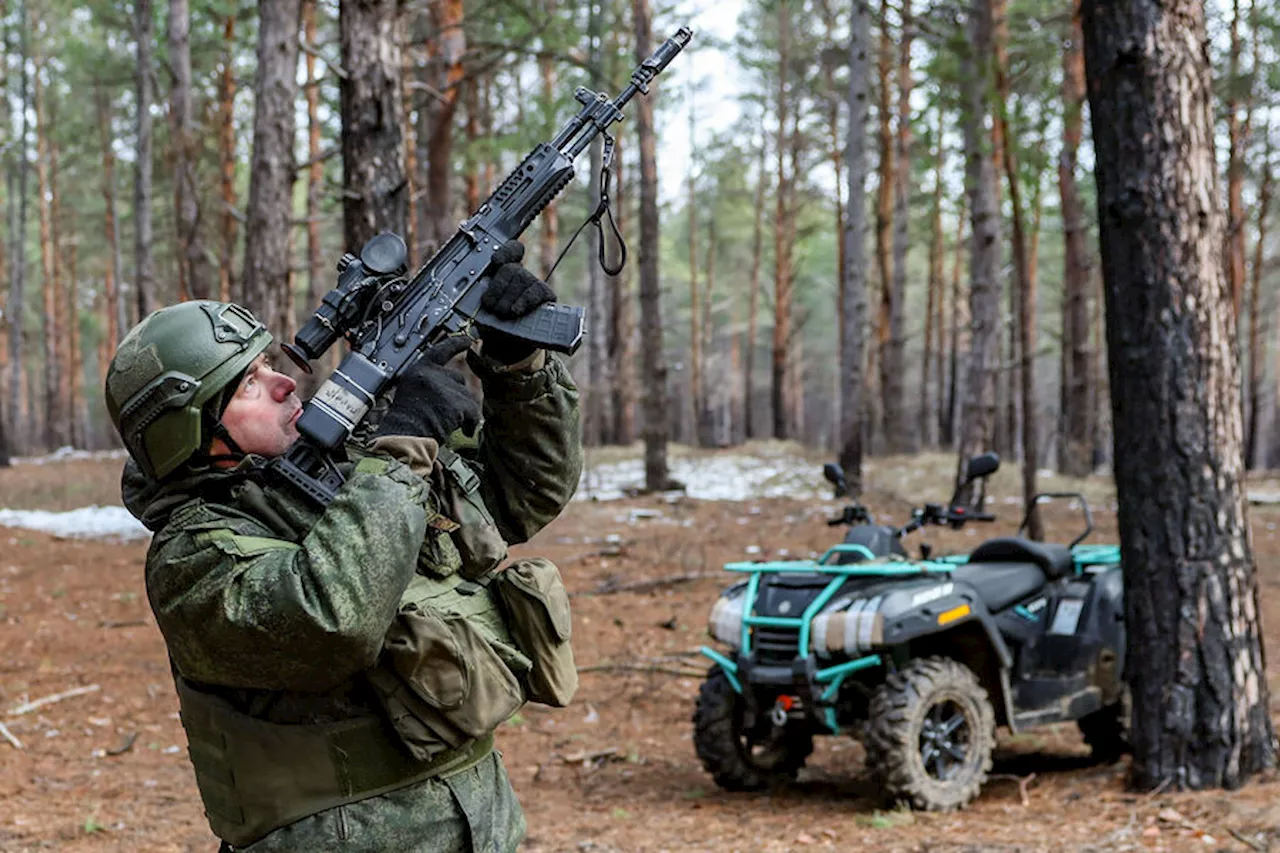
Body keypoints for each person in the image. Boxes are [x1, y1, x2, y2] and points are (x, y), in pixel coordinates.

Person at [105, 241, 582, 853]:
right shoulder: (191, 557)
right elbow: (334, 618)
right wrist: (402, 445)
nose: (284, 382)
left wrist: (517, 366)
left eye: (269, 364)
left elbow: (523, 497)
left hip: (479, 825)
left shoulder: (348, 469)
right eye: (248, 383)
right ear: (194, 427)